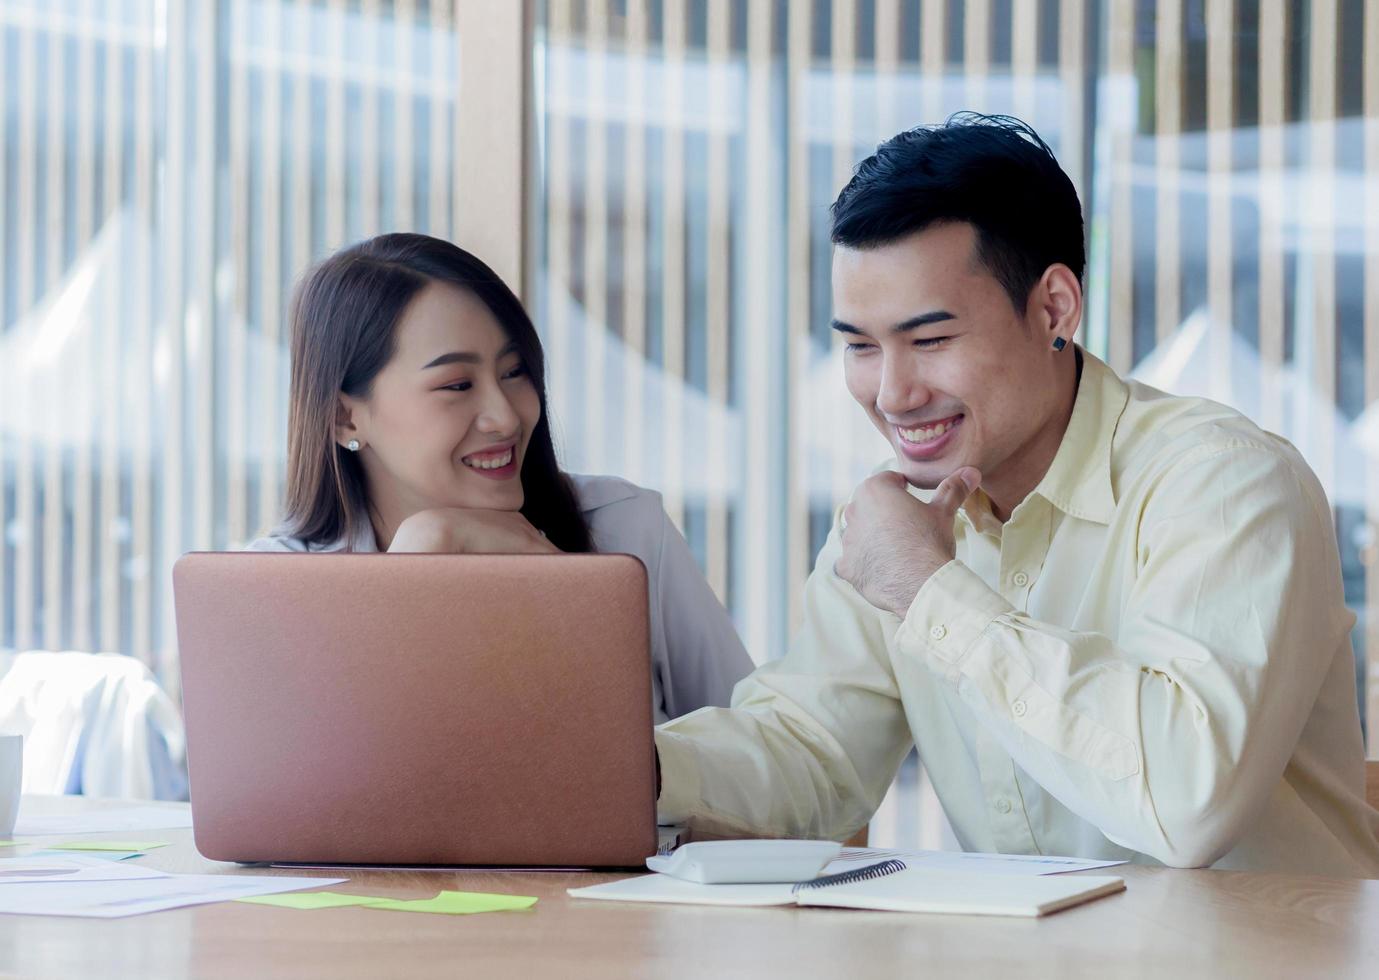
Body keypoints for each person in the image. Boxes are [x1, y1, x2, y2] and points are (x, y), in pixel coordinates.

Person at [655, 113, 1379, 875]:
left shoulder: (1224, 484)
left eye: (929, 341)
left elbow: (1186, 801)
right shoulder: (891, 525)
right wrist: (623, 771)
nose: (891, 394)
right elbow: (810, 753)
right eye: (860, 346)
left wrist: (929, 591)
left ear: (1054, 309)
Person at [247, 233, 755, 723]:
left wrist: (568, 589)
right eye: (457, 384)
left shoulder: (626, 529)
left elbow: (761, 763)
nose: (507, 418)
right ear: (343, 418)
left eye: (514, 371)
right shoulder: (272, 592)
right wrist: (419, 556)